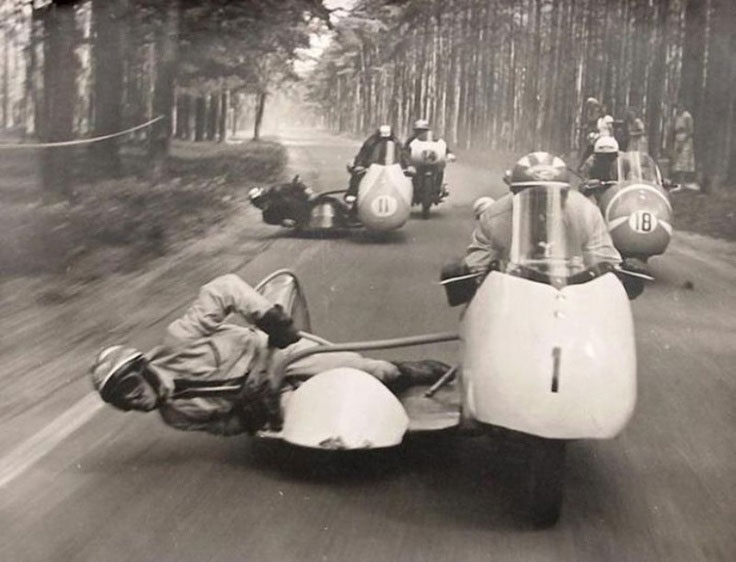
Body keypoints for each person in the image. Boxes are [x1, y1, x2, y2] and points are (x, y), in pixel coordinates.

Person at [91, 273, 450, 436]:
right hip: (268, 399)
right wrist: (248, 419)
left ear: (142, 368)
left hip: (279, 354)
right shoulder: (177, 417)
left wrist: (269, 320)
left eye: (129, 386)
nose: (133, 399)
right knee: (321, 432)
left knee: (372, 372)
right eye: (121, 400)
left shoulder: (179, 340)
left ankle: (413, 371)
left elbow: (224, 288)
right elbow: (223, 426)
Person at [441, 152, 644, 302]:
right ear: (515, 195)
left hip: (573, 304)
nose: (543, 204)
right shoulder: (495, 218)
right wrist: (464, 275)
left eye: (553, 196)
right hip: (511, 305)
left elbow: (605, 261)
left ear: (565, 195)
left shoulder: (585, 214)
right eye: (531, 196)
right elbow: (475, 267)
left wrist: (620, 275)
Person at [346, 125, 406, 204]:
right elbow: (362, 155)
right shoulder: (370, 143)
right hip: (371, 168)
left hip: (392, 169)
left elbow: (404, 155)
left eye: (387, 138)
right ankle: (352, 194)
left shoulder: (397, 143)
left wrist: (408, 166)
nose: (385, 140)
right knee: (358, 175)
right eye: (382, 137)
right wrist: (359, 165)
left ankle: (404, 199)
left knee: (406, 179)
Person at [404, 119, 456, 199]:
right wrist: (406, 159)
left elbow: (441, 145)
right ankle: (410, 189)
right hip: (417, 162)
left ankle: (439, 187)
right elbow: (405, 150)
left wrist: (448, 153)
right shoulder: (412, 140)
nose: (420, 132)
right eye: (418, 130)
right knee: (409, 173)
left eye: (423, 130)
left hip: (432, 161)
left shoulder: (434, 139)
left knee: (440, 170)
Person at [670, 103, 696, 185]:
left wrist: (683, 142)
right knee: (676, 160)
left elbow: (690, 131)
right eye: (677, 107)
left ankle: (683, 181)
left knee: (684, 160)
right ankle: (677, 180)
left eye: (680, 107)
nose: (678, 109)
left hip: (685, 139)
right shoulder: (677, 117)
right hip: (677, 138)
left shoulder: (687, 116)